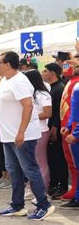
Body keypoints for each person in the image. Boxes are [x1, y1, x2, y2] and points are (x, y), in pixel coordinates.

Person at [0, 51, 55, 220]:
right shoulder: (4, 80)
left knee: (29, 169)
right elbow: (1, 107)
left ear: (8, 64)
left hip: (22, 135)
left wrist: (21, 132)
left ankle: (43, 205)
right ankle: (17, 205)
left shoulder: (20, 81)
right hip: (8, 135)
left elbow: (28, 106)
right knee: (14, 170)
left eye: (0, 62)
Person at [42, 63, 68, 198]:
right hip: (50, 126)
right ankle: (54, 184)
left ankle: (62, 186)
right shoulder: (51, 88)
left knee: (59, 158)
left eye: (45, 71)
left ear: (52, 73)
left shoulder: (59, 88)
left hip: (56, 128)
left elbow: (59, 111)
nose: (43, 73)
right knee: (52, 158)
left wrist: (54, 127)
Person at [24, 70, 52, 195]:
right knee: (31, 161)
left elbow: (47, 113)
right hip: (31, 131)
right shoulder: (31, 94)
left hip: (41, 131)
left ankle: (43, 190)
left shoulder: (43, 95)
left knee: (40, 161)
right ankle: (33, 188)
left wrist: (30, 116)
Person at [60, 78, 79, 209]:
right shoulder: (75, 85)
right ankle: (78, 197)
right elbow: (74, 111)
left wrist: (76, 133)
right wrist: (68, 126)